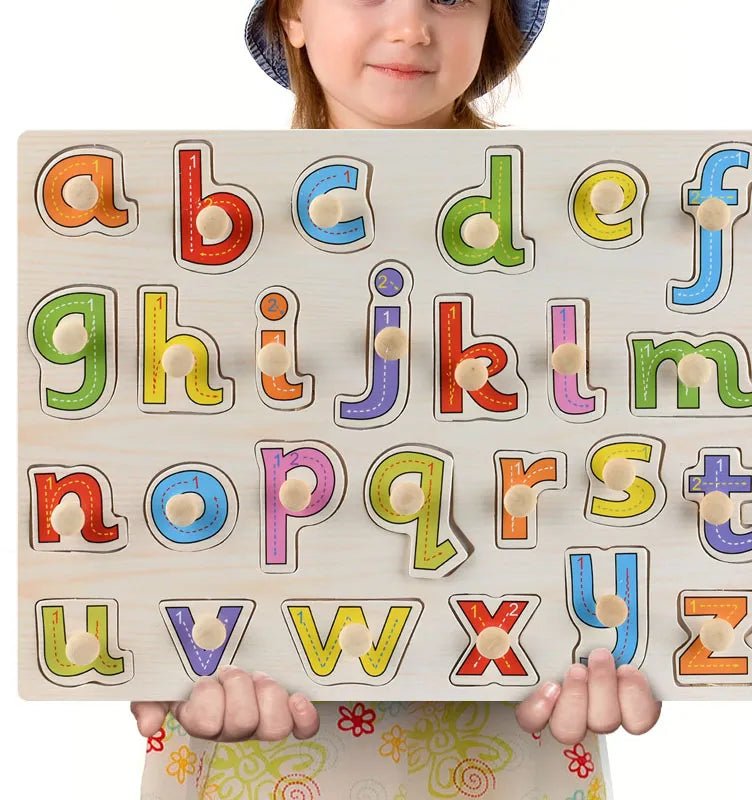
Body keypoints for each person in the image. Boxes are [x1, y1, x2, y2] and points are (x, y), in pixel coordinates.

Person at [135, 2, 662, 797]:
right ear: (295, 16)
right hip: (251, 742)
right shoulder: (200, 241)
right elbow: (139, 472)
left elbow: (637, 468)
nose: (413, 25)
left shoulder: (578, 236)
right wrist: (143, 644)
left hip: (507, 740)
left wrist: (633, 643)